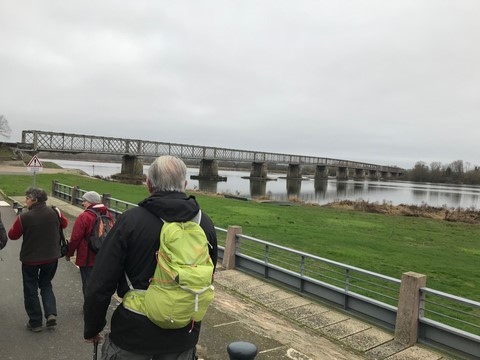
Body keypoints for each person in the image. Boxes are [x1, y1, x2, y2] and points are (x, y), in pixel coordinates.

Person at [84, 155, 218, 360]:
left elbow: (101, 281)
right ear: (185, 184)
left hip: (133, 334)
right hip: (182, 335)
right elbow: (208, 273)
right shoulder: (204, 224)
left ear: (148, 184)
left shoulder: (131, 221)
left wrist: (93, 327)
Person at [7, 187, 68, 332]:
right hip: (52, 256)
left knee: (30, 289)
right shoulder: (55, 212)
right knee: (46, 284)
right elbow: (64, 224)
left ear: (34, 200)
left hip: (31, 259)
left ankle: (35, 322)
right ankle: (51, 314)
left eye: (27, 198)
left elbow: (12, 235)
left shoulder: (25, 217)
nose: (25, 200)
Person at [66, 191, 113, 305]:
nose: (83, 204)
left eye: (85, 201)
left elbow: (76, 237)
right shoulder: (108, 214)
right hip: (103, 256)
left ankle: (90, 307)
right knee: (100, 283)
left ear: (91, 202)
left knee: (88, 283)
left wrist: (69, 253)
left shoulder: (85, 216)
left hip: (87, 257)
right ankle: (100, 305)